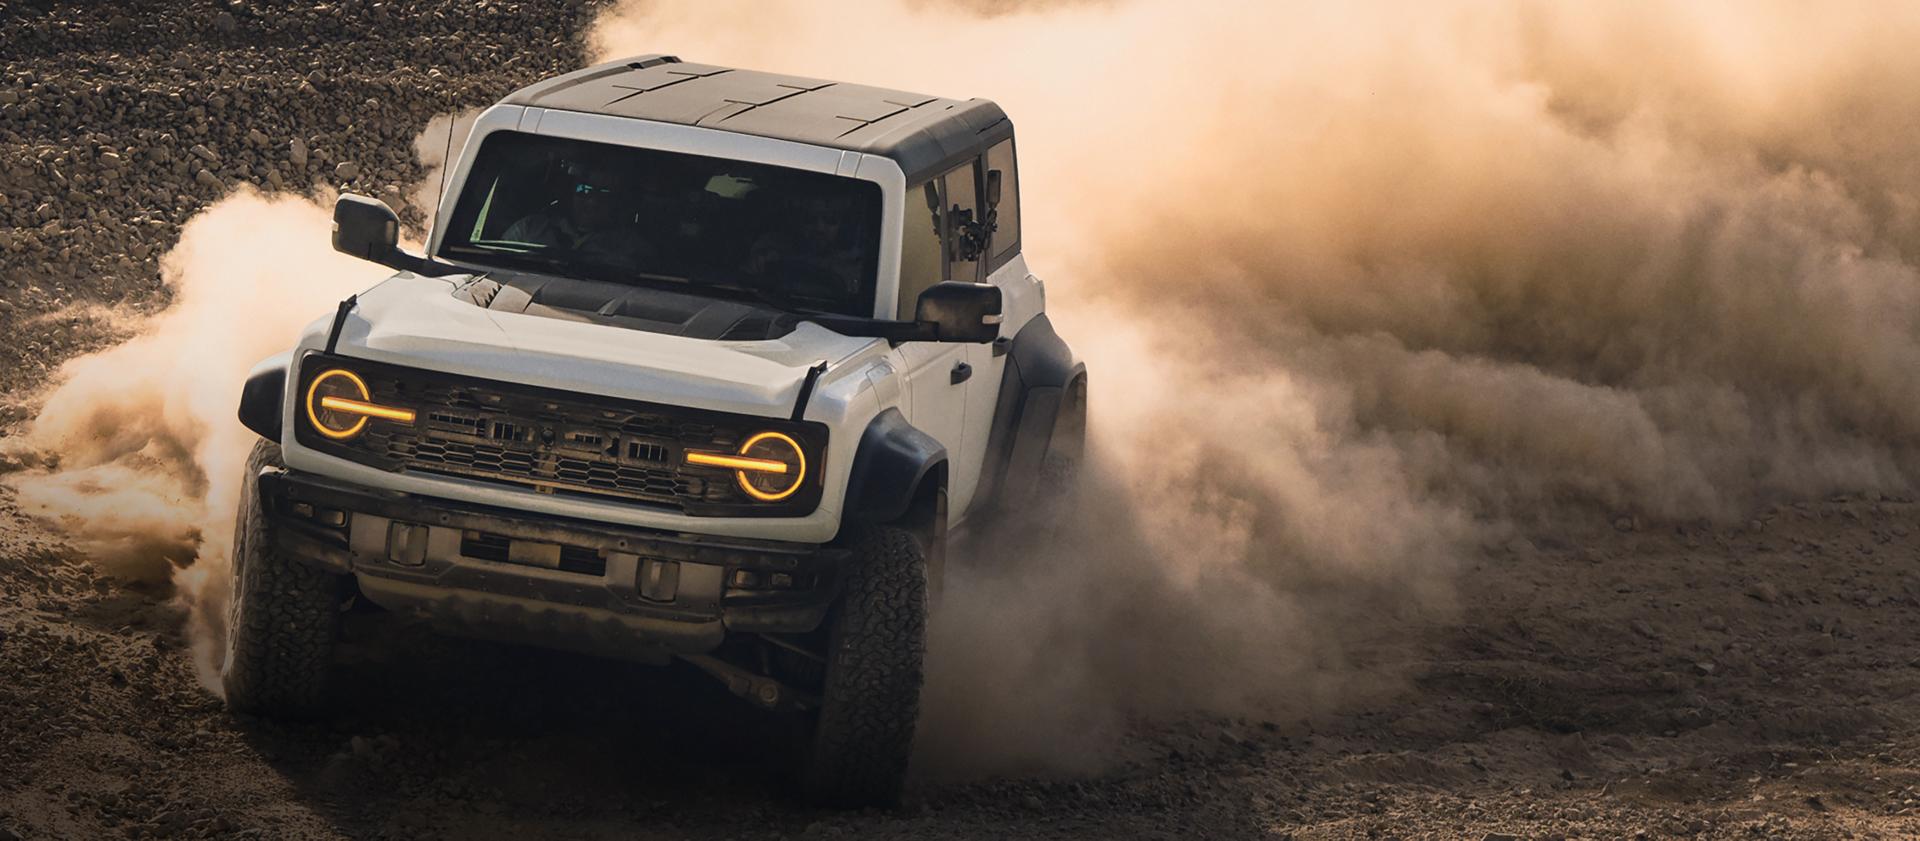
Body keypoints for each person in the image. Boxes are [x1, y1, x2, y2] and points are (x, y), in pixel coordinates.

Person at [501, 162, 646, 264]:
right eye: (584, 190)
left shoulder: (631, 248)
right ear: (570, 192)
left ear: (617, 201)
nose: (592, 202)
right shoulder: (528, 230)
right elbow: (498, 261)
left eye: (604, 193)